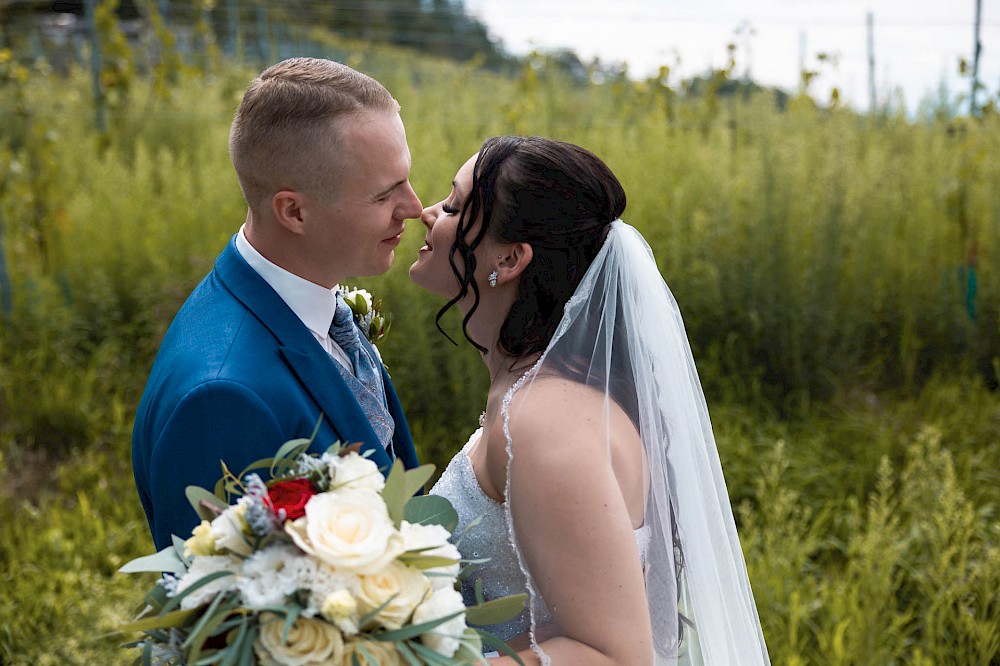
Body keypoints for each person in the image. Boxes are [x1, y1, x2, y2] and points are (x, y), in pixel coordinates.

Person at [410, 136, 770, 665]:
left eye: (455, 206)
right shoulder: (538, 397)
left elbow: (614, 656)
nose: (426, 212)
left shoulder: (543, 422)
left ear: (509, 259)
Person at [132, 57, 423, 551]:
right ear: (294, 211)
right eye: (383, 195)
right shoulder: (223, 400)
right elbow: (233, 615)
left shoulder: (312, 302)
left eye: (406, 181)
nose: (415, 208)